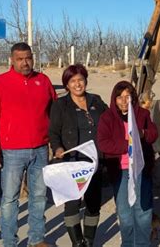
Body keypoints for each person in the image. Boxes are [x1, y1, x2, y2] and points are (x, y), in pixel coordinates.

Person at [0, 42, 57, 247]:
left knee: (39, 197)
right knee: (10, 199)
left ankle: (37, 239)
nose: (25, 62)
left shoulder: (43, 81)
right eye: (20, 59)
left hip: (41, 149)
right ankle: (10, 242)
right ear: (11, 60)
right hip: (12, 152)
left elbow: (54, 113)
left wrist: (57, 142)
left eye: (28, 58)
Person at [49, 64, 108, 247]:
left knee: (93, 204)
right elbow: (53, 132)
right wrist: (57, 148)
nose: (77, 84)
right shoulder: (60, 105)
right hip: (72, 162)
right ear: (66, 85)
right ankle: (77, 242)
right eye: (72, 81)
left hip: (95, 161)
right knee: (73, 203)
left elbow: (109, 122)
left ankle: (89, 241)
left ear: (86, 81)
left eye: (80, 80)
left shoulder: (96, 100)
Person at [97, 81, 158, 247]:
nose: (124, 101)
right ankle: (128, 243)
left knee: (142, 210)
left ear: (133, 98)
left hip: (140, 168)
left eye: (127, 97)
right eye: (120, 97)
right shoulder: (107, 117)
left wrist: (143, 134)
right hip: (120, 170)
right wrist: (128, 145)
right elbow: (103, 143)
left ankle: (143, 243)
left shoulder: (142, 114)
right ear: (114, 99)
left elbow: (154, 133)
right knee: (124, 212)